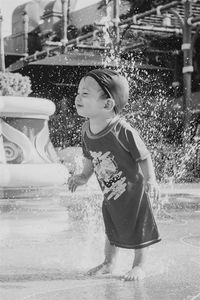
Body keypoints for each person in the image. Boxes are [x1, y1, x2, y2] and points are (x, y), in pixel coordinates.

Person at [68, 68, 161, 281]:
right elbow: (90, 157)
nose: (77, 97)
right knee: (111, 228)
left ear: (108, 104)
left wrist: (151, 180)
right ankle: (109, 263)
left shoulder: (122, 130)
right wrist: (83, 176)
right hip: (110, 192)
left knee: (139, 227)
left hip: (134, 193)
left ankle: (139, 266)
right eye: (79, 91)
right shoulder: (86, 129)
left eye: (85, 93)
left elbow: (144, 156)